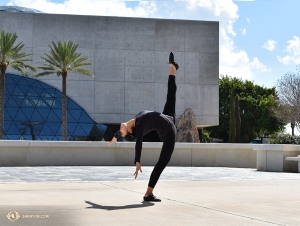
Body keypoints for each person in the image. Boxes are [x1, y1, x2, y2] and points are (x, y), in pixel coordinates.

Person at [108, 52, 179, 202]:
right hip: (169, 133)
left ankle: (173, 69)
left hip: (167, 118)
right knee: (161, 163)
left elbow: (121, 132)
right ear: (130, 131)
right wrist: (137, 161)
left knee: (171, 95)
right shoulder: (139, 126)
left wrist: (115, 137)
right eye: (122, 131)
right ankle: (148, 194)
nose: (120, 128)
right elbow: (138, 142)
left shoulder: (135, 119)